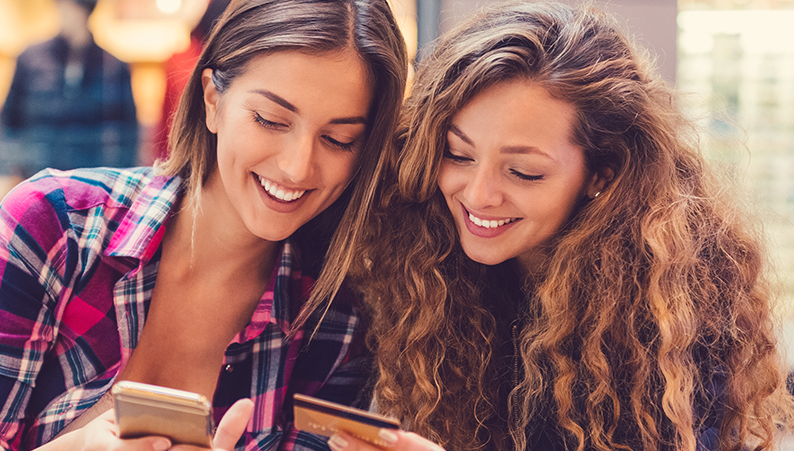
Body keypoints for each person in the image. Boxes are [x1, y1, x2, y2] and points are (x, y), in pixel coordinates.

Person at [335, 2, 794, 451]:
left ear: (601, 174)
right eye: (459, 154)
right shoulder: (431, 265)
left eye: (524, 172)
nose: (477, 194)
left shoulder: (669, 320)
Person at [0, 0, 407, 449]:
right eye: (270, 120)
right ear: (213, 100)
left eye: (338, 139)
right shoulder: (53, 226)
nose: (297, 167)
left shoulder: (336, 327)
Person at [0, 0, 139, 177]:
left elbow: (128, 131)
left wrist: (121, 177)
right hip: (38, 176)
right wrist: (10, 169)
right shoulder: (30, 59)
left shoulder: (113, 67)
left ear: (86, 11)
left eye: (71, 7)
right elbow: (10, 120)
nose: (65, 13)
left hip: (92, 180)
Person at [149, 0, 231, 164]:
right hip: (192, 158)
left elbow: (164, 128)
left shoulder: (181, 60)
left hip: (182, 157)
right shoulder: (184, 63)